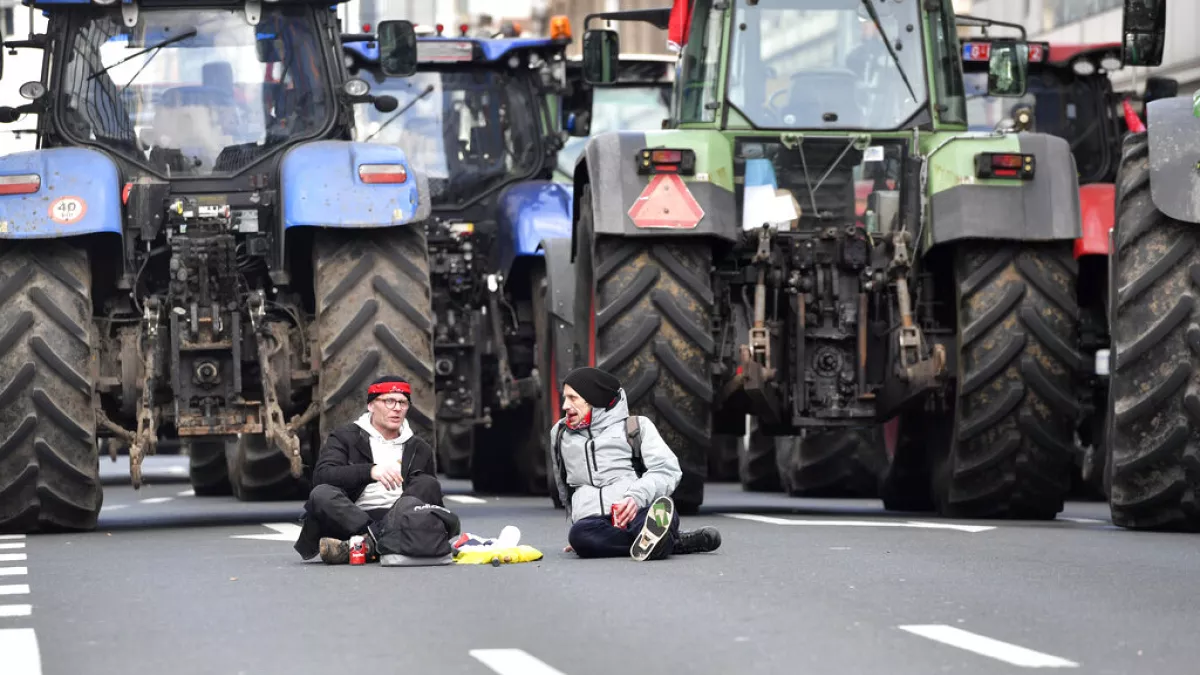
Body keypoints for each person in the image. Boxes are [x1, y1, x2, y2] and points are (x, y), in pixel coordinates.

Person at [549, 367, 722, 561]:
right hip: (595, 520)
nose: (565, 405)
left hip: (637, 510)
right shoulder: (560, 434)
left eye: (573, 398)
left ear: (594, 399)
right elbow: (566, 485)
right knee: (580, 536)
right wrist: (576, 523)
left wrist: (635, 498)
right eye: (565, 398)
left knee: (661, 512)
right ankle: (670, 543)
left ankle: (655, 538)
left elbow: (667, 470)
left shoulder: (635, 427)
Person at [292, 375, 446, 564]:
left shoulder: (419, 447)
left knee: (428, 483)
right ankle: (383, 541)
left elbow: (428, 498)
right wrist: (370, 471)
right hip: (353, 520)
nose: (397, 408)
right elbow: (323, 476)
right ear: (371, 405)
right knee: (321, 494)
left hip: (401, 518)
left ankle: (366, 546)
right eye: (389, 401)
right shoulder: (344, 437)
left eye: (403, 403)